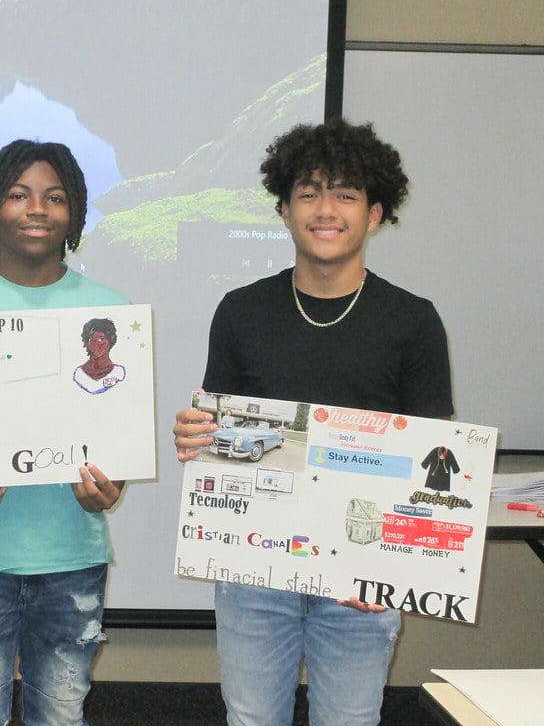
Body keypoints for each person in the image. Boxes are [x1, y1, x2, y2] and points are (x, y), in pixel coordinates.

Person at [172, 119, 453, 726]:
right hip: (254, 572)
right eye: (309, 193)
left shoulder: (413, 321)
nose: (326, 210)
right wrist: (196, 437)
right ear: (284, 209)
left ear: (374, 214)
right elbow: (218, 432)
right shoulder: (241, 311)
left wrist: (393, 570)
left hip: (362, 574)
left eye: (345, 194)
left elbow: (435, 465)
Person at [0, 139, 128, 726]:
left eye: (55, 197)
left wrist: (113, 487)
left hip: (72, 555)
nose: (37, 209)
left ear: (74, 212)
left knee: (61, 717)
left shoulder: (111, 309)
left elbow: (119, 435)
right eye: (18, 194)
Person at [72, 317, 126, 395]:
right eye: (91, 340)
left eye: (101, 339)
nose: (96, 344)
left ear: (111, 339)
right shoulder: (79, 374)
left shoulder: (118, 373)